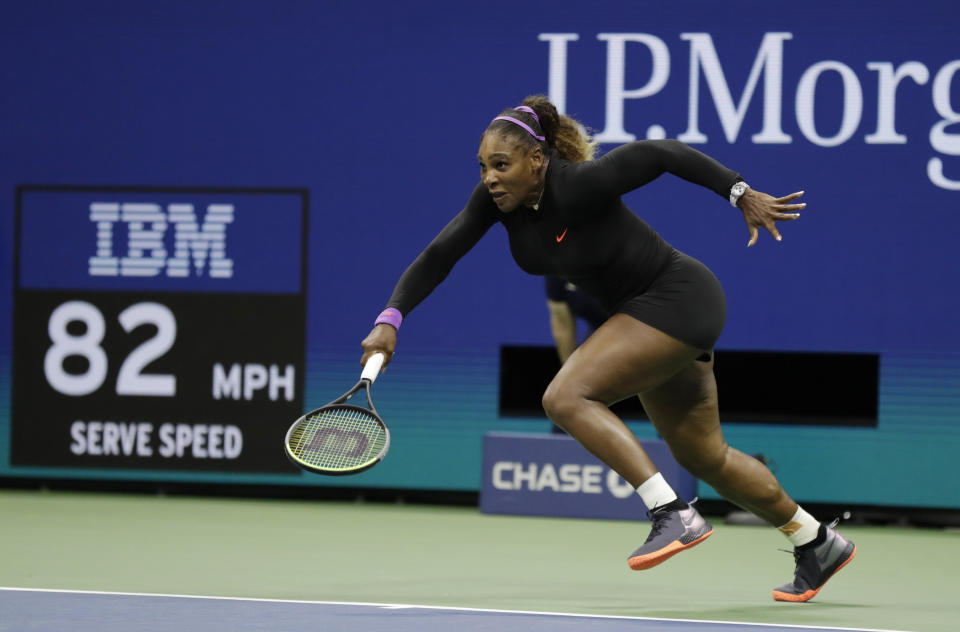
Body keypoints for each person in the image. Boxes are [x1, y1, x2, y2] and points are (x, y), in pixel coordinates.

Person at [360, 96, 855, 602]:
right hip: (654, 319)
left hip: (677, 297)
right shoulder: (495, 203)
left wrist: (739, 192)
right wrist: (389, 320)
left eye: (501, 164)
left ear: (537, 160)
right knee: (707, 457)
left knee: (565, 397)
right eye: (484, 166)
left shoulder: (578, 183)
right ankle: (816, 541)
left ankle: (671, 513)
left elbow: (662, 153)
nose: (489, 177)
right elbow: (439, 255)